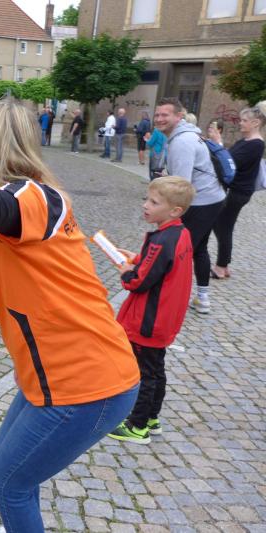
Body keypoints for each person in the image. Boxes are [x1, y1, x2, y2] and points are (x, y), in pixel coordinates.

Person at [0, 101, 140, 532]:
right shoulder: (25, 201)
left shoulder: (35, 197)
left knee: (7, 483)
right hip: (52, 374)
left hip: (86, 382)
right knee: (3, 458)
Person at [108, 177, 195, 444]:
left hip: (148, 319)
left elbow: (138, 282)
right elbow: (159, 264)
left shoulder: (161, 240)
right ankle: (151, 418)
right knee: (155, 370)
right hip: (164, 318)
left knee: (143, 374)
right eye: (147, 199)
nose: (145, 205)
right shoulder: (179, 233)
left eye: (154, 202)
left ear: (175, 211)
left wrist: (127, 270)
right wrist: (136, 258)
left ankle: (137, 426)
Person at [154, 97, 225, 314]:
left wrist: (169, 216)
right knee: (199, 248)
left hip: (201, 202)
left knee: (179, 251)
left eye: (165, 115)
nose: (159, 119)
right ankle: (202, 297)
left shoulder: (182, 141)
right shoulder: (188, 135)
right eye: (157, 115)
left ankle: (167, 300)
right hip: (212, 199)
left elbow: (181, 186)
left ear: (178, 116)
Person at [208, 103, 266, 279]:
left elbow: (230, 162)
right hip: (235, 190)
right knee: (224, 225)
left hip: (238, 192)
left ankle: (221, 267)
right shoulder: (245, 141)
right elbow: (227, 157)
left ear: (256, 123)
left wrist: (218, 143)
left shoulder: (256, 144)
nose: (240, 123)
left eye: (244, 120)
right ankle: (224, 265)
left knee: (222, 225)